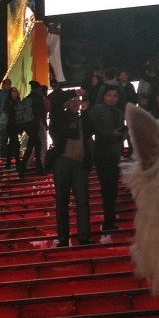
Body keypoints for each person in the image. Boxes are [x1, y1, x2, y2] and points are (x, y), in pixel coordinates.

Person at [49, 89, 93, 247]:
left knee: (83, 201)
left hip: (80, 163)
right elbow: (54, 99)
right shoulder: (59, 116)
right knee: (62, 202)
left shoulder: (83, 119)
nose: (75, 102)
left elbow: (91, 131)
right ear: (66, 102)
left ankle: (84, 237)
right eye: (72, 99)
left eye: (78, 100)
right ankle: (62, 238)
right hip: (62, 161)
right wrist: (74, 91)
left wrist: (86, 112)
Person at [89, 84, 126, 240]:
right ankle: (108, 222)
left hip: (115, 154)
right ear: (104, 96)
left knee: (113, 189)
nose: (112, 98)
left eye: (115, 96)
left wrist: (122, 134)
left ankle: (110, 221)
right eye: (109, 95)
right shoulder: (97, 109)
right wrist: (113, 133)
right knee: (107, 189)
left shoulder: (119, 112)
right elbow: (96, 129)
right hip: (103, 154)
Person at [17, 81, 45, 178]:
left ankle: (30, 166)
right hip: (34, 124)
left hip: (27, 125)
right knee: (34, 145)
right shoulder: (38, 98)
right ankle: (24, 166)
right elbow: (42, 112)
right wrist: (45, 124)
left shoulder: (27, 98)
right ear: (38, 88)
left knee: (35, 144)